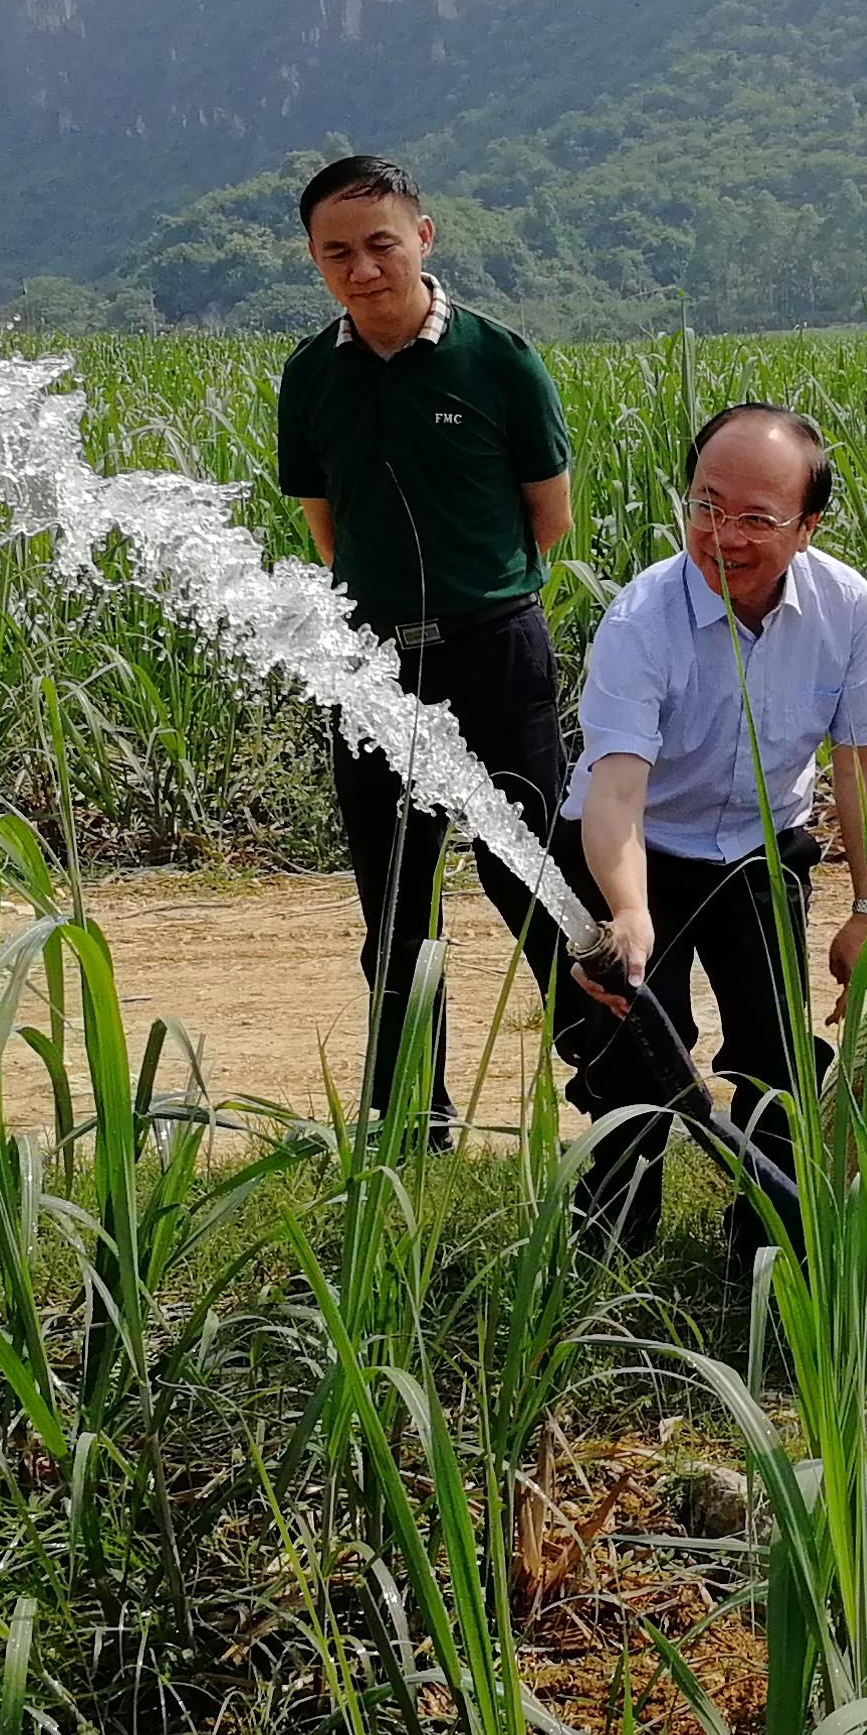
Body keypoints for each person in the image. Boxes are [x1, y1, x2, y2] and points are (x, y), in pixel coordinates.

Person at [555, 403, 867, 1260]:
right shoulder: (643, 621)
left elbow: (864, 765)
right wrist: (628, 912)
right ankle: (609, 1256)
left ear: (807, 527)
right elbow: (617, 794)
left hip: (759, 848)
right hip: (637, 852)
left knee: (778, 1054)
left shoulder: (846, 609)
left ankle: (772, 1243)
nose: (723, 535)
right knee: (635, 1052)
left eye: (756, 518)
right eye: (706, 505)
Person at [273, 153, 576, 1138]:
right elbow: (326, 528)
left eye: (380, 245)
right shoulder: (310, 376)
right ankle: (411, 1120)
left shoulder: (496, 360)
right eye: (337, 253)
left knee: (530, 879)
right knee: (395, 905)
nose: (362, 269)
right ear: (315, 261)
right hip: (370, 664)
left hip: (492, 652)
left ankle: (611, 1087)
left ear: (423, 239)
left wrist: (463, 598)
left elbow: (547, 519)